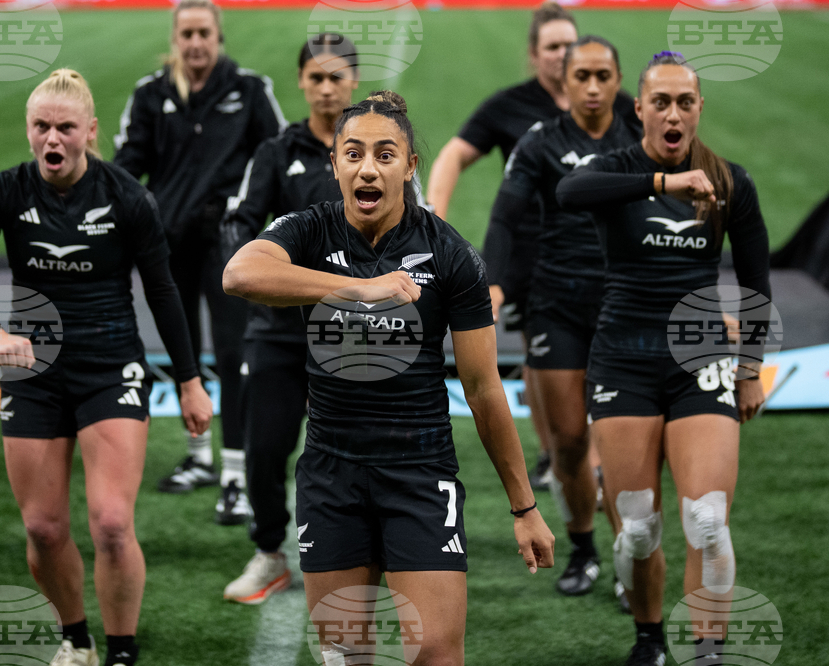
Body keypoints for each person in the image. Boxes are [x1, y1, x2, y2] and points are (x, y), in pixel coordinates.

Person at [224, 90, 555, 666]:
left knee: (433, 652)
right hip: (331, 473)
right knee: (345, 655)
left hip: (419, 473)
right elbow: (239, 274)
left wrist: (524, 508)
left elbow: (482, 389)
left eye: (384, 153)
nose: (368, 167)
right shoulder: (310, 230)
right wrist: (354, 288)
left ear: (409, 166)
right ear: (335, 166)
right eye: (352, 154)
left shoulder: (452, 256)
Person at [0, 69, 213, 666]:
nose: (52, 139)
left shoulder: (128, 197)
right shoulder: (6, 191)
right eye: (41, 126)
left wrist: (190, 382)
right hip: (34, 371)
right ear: (28, 131)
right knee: (43, 528)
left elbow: (163, 292)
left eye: (65, 127)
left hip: (111, 366)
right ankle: (77, 639)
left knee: (112, 523)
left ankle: (120, 649)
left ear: (90, 131)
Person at [556, 52, 770, 666]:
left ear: (700, 109)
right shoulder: (617, 170)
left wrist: (750, 369)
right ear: (640, 110)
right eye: (661, 102)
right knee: (638, 530)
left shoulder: (731, 182)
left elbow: (755, 287)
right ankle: (649, 639)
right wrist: (663, 183)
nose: (673, 113)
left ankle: (706, 653)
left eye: (685, 102)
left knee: (708, 519)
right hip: (623, 359)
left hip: (701, 361)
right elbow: (571, 191)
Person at [113, 0, 286, 523]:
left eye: (204, 33)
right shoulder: (151, 94)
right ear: (175, 38)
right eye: (186, 33)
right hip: (167, 243)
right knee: (182, 351)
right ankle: (199, 458)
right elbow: (126, 167)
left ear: (219, 37)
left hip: (228, 243)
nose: (195, 43)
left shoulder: (250, 90)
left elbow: (276, 157)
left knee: (235, 354)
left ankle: (234, 473)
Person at [485, 35, 639, 608]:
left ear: (618, 79)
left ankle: (630, 562)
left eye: (604, 75)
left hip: (626, 303)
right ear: (565, 82)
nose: (594, 87)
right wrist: (495, 281)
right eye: (583, 77)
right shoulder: (541, 141)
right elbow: (504, 217)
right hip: (556, 303)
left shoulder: (641, 134)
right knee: (571, 443)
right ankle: (583, 547)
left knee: (623, 446)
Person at [218, 34, 359, 604]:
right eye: (316, 78)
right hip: (278, 332)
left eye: (336, 77)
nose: (326, 88)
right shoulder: (277, 151)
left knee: (354, 448)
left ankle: (353, 553)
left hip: (354, 331)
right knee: (266, 449)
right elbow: (239, 224)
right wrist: (263, 279)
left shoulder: (371, 148)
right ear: (302, 82)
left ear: (353, 81)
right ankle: (270, 552)